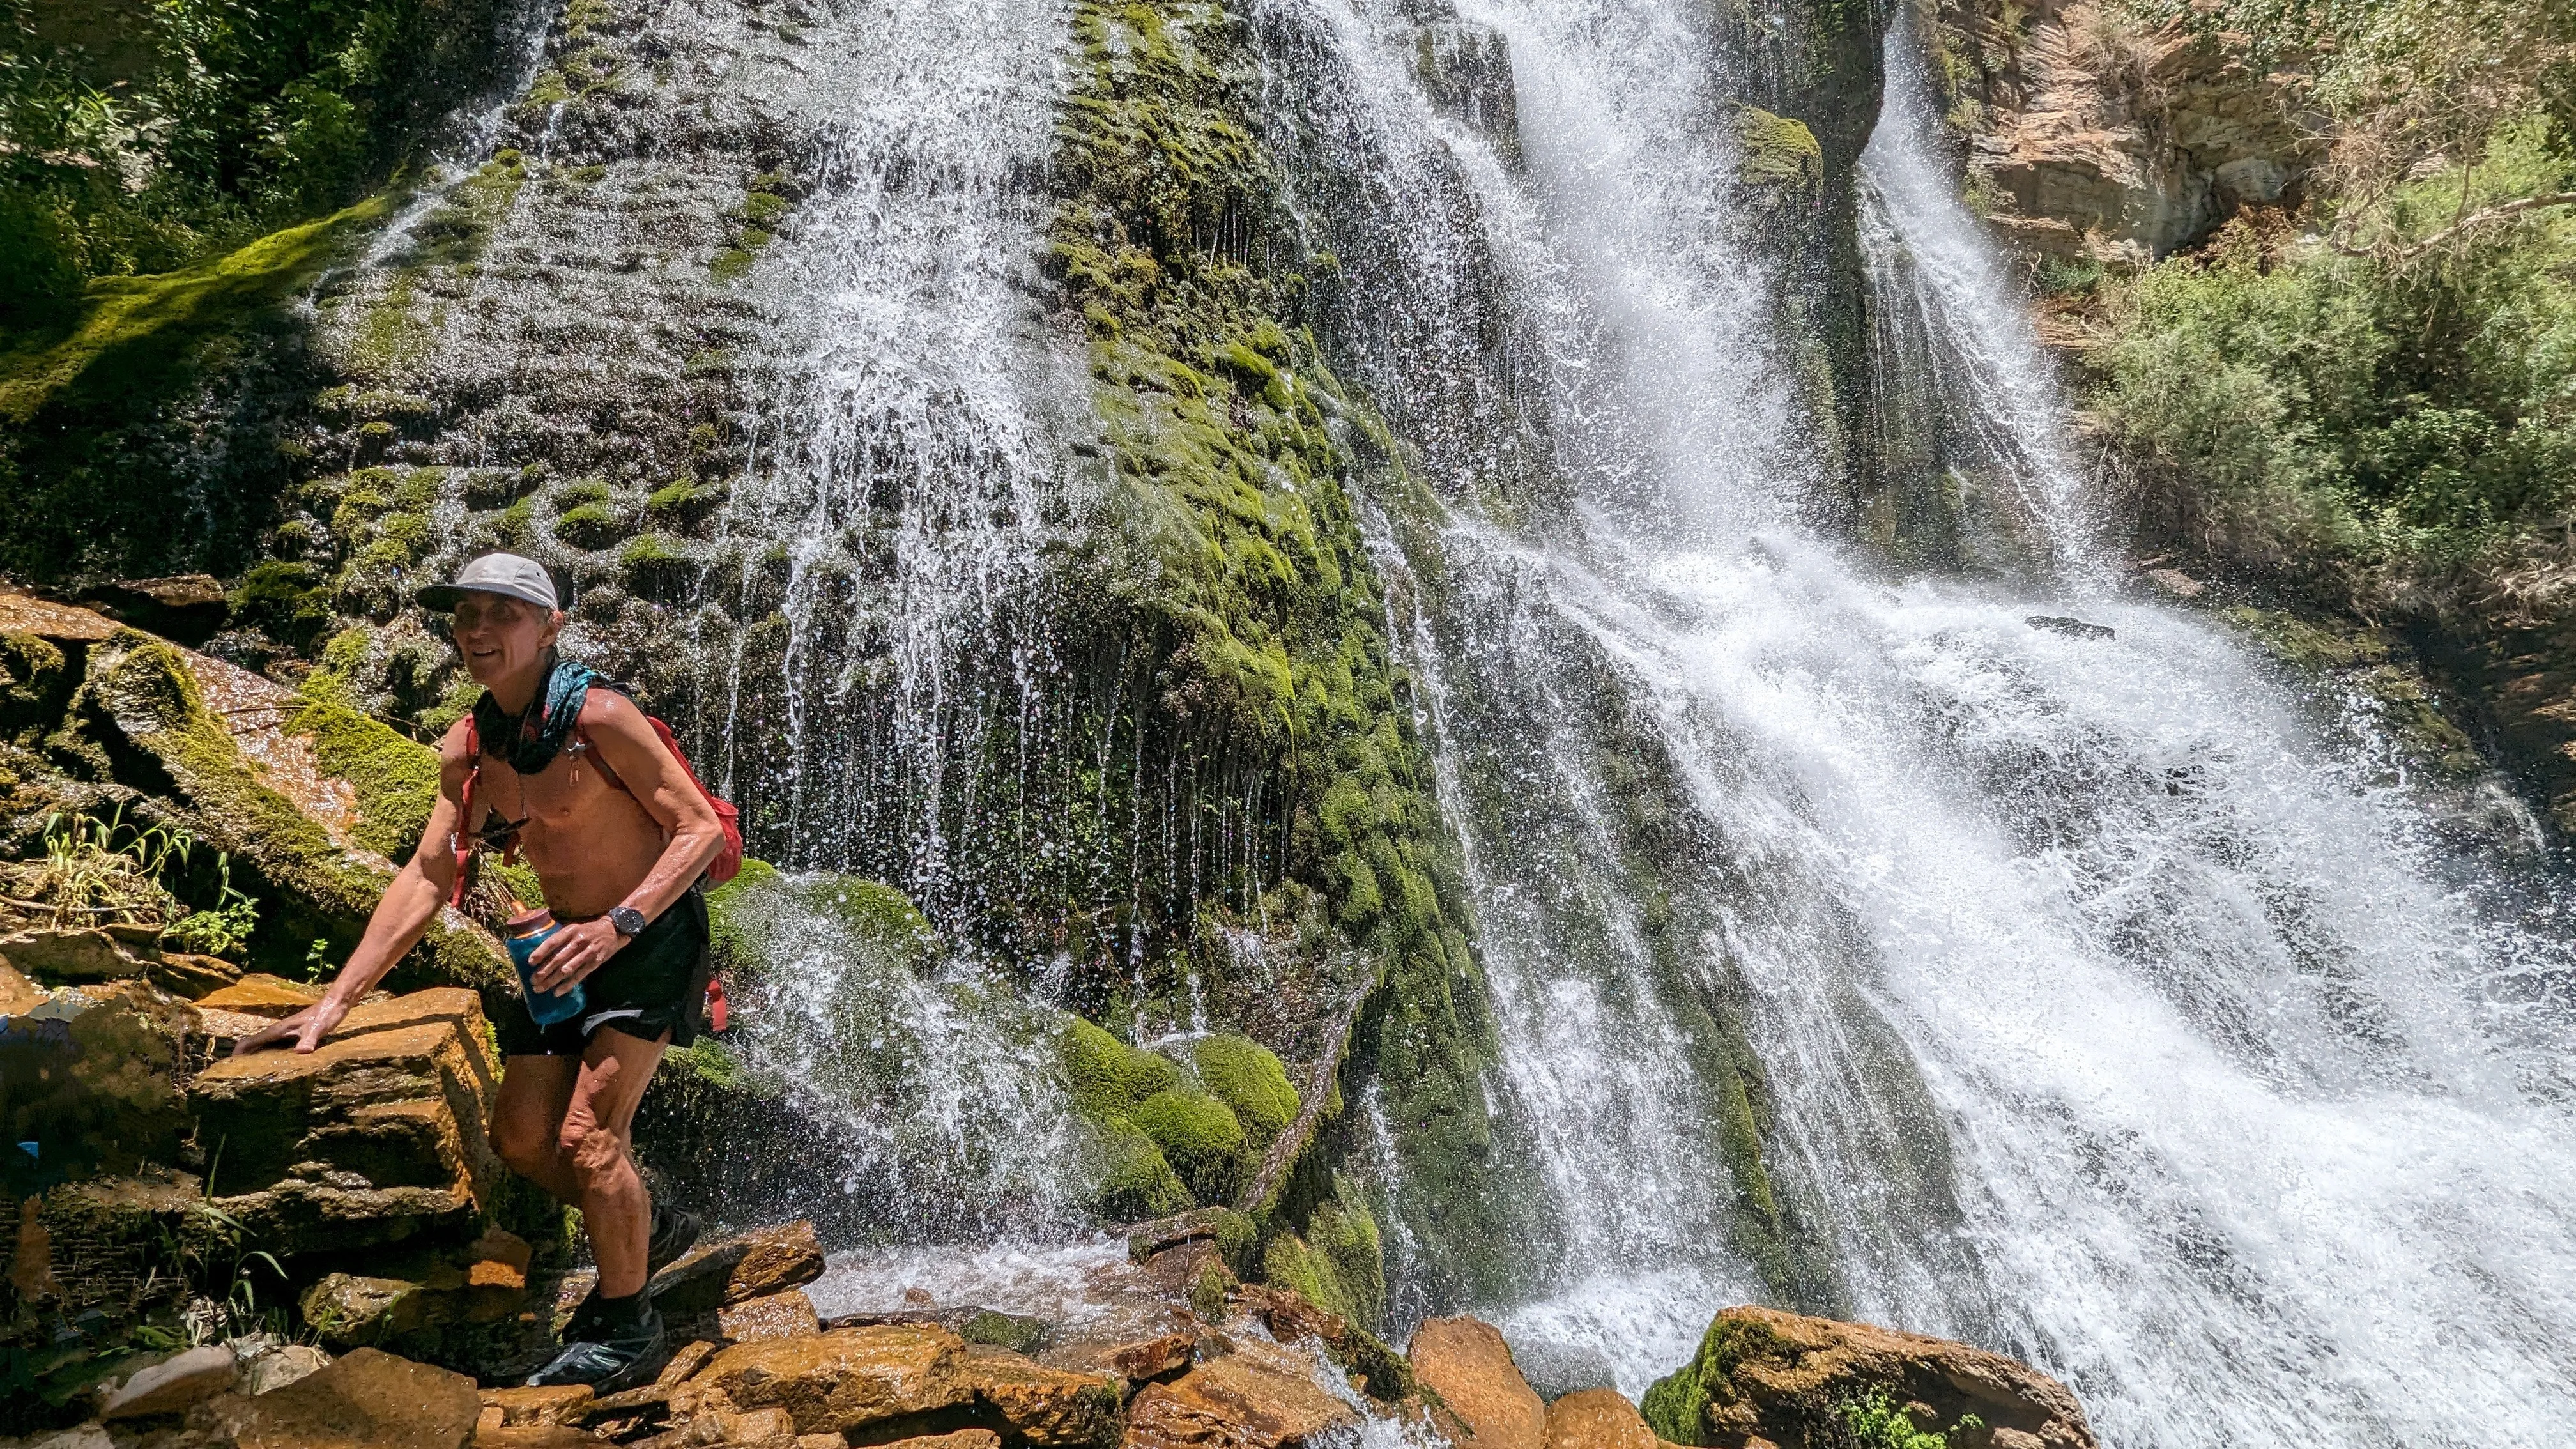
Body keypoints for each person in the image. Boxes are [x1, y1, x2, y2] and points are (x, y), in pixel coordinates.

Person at [238, 552, 725, 1391]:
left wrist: (621, 924)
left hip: (646, 940)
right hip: (561, 948)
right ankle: (639, 1224)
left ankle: (628, 1326)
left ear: (549, 627)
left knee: (587, 1138)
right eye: (467, 614)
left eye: (504, 612)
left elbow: (698, 831)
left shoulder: (601, 717)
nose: (479, 629)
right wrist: (333, 1006)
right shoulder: (470, 746)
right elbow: (428, 878)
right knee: (522, 1140)